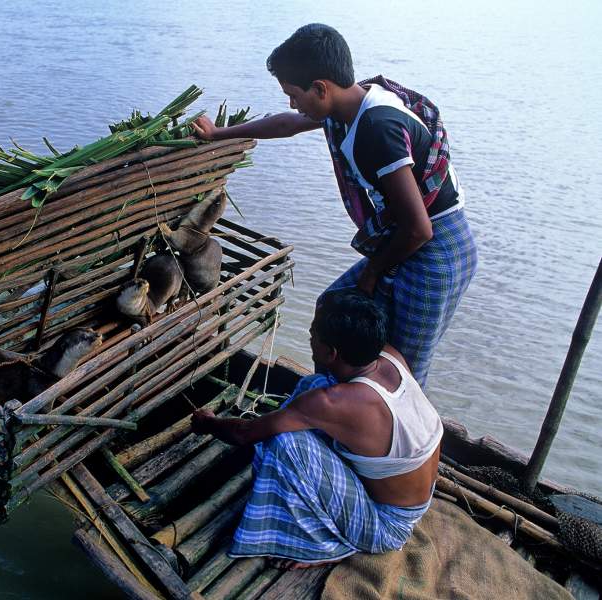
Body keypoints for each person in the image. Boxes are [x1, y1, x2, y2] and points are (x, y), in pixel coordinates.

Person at [192, 23, 477, 387]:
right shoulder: (349, 104)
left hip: (437, 250)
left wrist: (373, 272)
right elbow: (287, 125)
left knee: (403, 363)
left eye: (293, 95)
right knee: (333, 310)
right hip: (406, 238)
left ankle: (387, 436)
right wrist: (220, 134)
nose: (292, 104)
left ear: (320, 88)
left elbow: (420, 229)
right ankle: (332, 407)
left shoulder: (377, 128)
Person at [191, 289, 442, 568]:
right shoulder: (389, 355)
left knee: (286, 443)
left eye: (313, 335)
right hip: (413, 503)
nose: (309, 338)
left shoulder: (334, 402)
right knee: (313, 386)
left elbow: (243, 434)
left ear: (331, 352)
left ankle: (317, 546)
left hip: (385, 527)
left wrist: (208, 422)